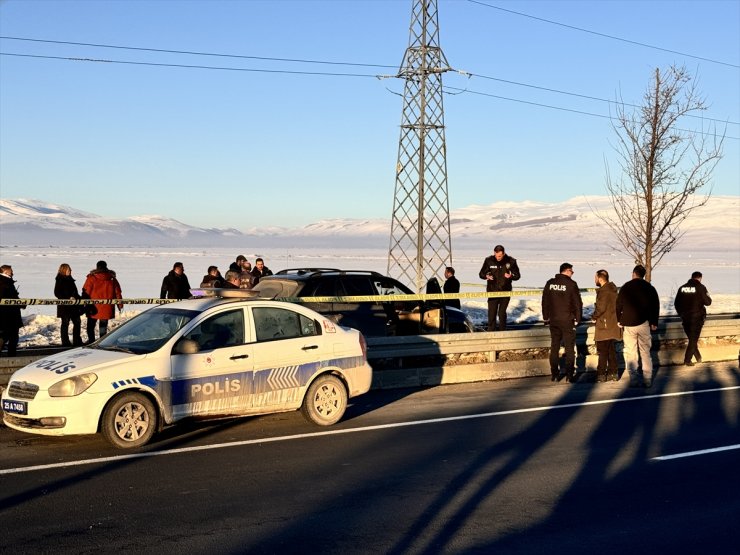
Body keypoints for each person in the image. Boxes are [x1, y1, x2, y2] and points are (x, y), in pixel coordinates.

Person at [616, 264, 660, 388]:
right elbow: (655, 305)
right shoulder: (649, 287)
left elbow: (618, 304)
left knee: (631, 352)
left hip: (628, 324)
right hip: (644, 323)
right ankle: (647, 379)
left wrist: (619, 319)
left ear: (634, 274)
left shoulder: (626, 287)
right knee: (645, 352)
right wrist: (654, 322)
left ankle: (634, 379)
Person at [541, 262, 583, 382]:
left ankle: (554, 373)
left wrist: (546, 317)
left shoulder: (550, 283)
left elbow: (545, 301)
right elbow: (577, 303)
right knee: (569, 348)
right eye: (572, 271)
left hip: (553, 320)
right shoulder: (571, 284)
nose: (572, 273)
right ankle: (569, 375)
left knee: (554, 347)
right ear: (566, 271)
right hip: (567, 320)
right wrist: (578, 318)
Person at [674, 271, 712, 366]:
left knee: (692, 338)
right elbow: (708, 302)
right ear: (699, 278)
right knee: (693, 339)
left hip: (685, 318)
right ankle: (687, 360)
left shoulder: (682, 288)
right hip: (697, 318)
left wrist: (681, 314)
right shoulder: (701, 287)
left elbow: (676, 303)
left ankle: (698, 357)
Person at [479, 245, 520, 331]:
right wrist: (486, 276)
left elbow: (517, 275)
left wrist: (511, 276)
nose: (498, 258)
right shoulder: (489, 261)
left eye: (500, 256)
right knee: (492, 313)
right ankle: (491, 332)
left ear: (503, 253)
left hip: (505, 291)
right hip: (492, 291)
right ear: (494, 253)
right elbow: (481, 274)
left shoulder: (511, 261)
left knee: (501, 313)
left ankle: (502, 331)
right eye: (496, 255)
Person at [82, 260, 123, 343]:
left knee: (90, 326)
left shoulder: (91, 278)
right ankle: (102, 342)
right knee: (103, 327)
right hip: (107, 307)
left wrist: (83, 304)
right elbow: (118, 293)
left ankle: (91, 342)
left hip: (92, 307)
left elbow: (86, 292)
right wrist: (120, 305)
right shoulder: (112, 278)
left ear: (97, 267)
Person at [592, 269, 621, 382]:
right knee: (611, 350)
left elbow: (601, 307)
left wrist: (594, 317)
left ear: (600, 278)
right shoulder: (612, 289)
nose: (594, 279)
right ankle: (613, 373)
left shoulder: (604, 291)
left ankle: (601, 374)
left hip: (604, 325)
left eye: (595, 277)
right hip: (612, 323)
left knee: (603, 350)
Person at [54, 263, 83, 347]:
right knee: (65, 323)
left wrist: (79, 299)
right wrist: (68, 298)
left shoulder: (71, 280)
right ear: (63, 270)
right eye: (68, 269)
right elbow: (57, 293)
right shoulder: (59, 280)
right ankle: (65, 342)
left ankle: (76, 340)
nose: (70, 271)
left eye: (70, 269)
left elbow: (75, 293)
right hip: (65, 307)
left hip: (74, 306)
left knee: (77, 322)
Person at [0, 265, 25, 356]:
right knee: (10, 336)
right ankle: (11, 356)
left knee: (11, 335)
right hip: (9, 314)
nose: (12, 273)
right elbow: (7, 298)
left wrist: (20, 303)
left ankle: (12, 355)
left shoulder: (7, 282)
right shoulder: (4, 282)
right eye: (11, 271)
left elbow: (12, 298)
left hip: (10, 313)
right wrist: (19, 303)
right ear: (6, 272)